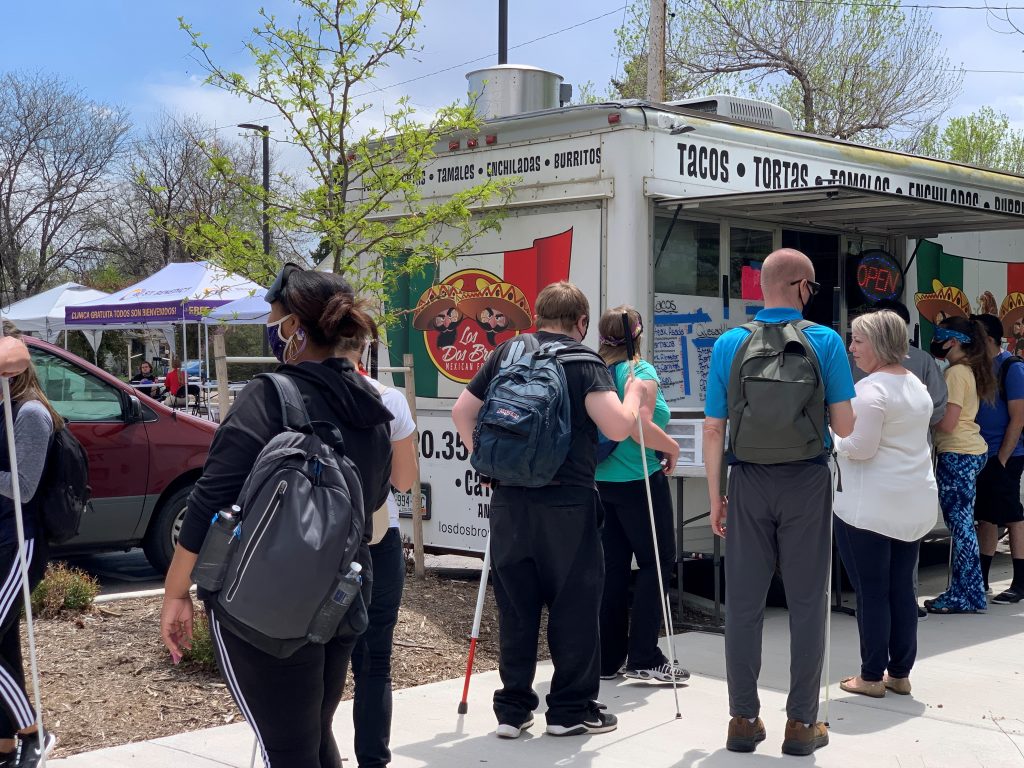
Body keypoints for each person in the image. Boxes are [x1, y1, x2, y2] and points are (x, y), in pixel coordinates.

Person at [160, 264, 393, 768]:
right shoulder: (370, 404)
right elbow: (373, 499)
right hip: (341, 602)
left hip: (260, 607)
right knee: (309, 738)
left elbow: (208, 502)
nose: (270, 325)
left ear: (294, 328)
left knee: (287, 748)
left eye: (273, 316)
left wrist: (176, 592)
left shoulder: (268, 398)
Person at [452, 281, 651, 739]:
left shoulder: (507, 353)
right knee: (574, 607)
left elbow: (464, 413)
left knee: (516, 607)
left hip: (508, 500)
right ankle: (568, 710)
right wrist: (637, 393)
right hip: (567, 502)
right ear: (581, 323)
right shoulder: (584, 362)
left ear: (537, 317)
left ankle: (512, 710)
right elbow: (618, 427)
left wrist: (485, 463)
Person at [703, 248, 855, 757]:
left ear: (762, 288)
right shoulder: (825, 341)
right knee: (808, 604)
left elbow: (713, 428)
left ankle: (743, 720)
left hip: (747, 481)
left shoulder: (730, 343)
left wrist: (716, 497)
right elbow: (846, 425)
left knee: (743, 605)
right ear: (803, 287)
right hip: (807, 481)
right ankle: (800, 725)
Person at [833, 311, 938, 699]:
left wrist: (833, 437)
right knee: (900, 590)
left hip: (869, 507)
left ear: (878, 343)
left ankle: (871, 675)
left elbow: (860, 448)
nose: (851, 348)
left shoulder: (871, 389)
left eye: (858, 340)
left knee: (872, 592)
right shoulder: (916, 385)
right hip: (912, 503)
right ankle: (900, 672)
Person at [594, 306, 687, 684]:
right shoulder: (639, 373)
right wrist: (673, 448)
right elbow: (639, 428)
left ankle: (607, 657)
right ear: (638, 332)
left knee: (613, 569)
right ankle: (645, 655)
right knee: (657, 563)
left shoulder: (596, 372)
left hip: (602, 482)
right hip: (639, 480)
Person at [338, 337, 419, 768]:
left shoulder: (290, 394)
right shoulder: (387, 399)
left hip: (311, 544)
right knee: (374, 660)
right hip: (374, 535)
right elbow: (404, 481)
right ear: (364, 347)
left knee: (313, 663)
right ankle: (373, 760)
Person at [0, 322, 57, 767]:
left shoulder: (31, 414)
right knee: (3, 645)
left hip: (19, 546)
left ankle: (34, 731)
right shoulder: (2, 407)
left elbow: (23, 487)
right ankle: (4, 742)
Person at [924, 315, 996, 615]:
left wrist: (922, 413)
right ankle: (972, 592)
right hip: (970, 452)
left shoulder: (955, 374)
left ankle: (965, 595)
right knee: (964, 524)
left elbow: (949, 422)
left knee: (961, 526)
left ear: (952, 340)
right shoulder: (969, 370)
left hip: (957, 453)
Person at [970, 314, 1024, 605]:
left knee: (1013, 515)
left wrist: (1002, 458)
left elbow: (1018, 418)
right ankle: (982, 578)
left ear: (988, 339)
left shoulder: (1011, 368)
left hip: (1006, 456)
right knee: (986, 516)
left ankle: (1020, 581)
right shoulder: (977, 367)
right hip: (982, 454)